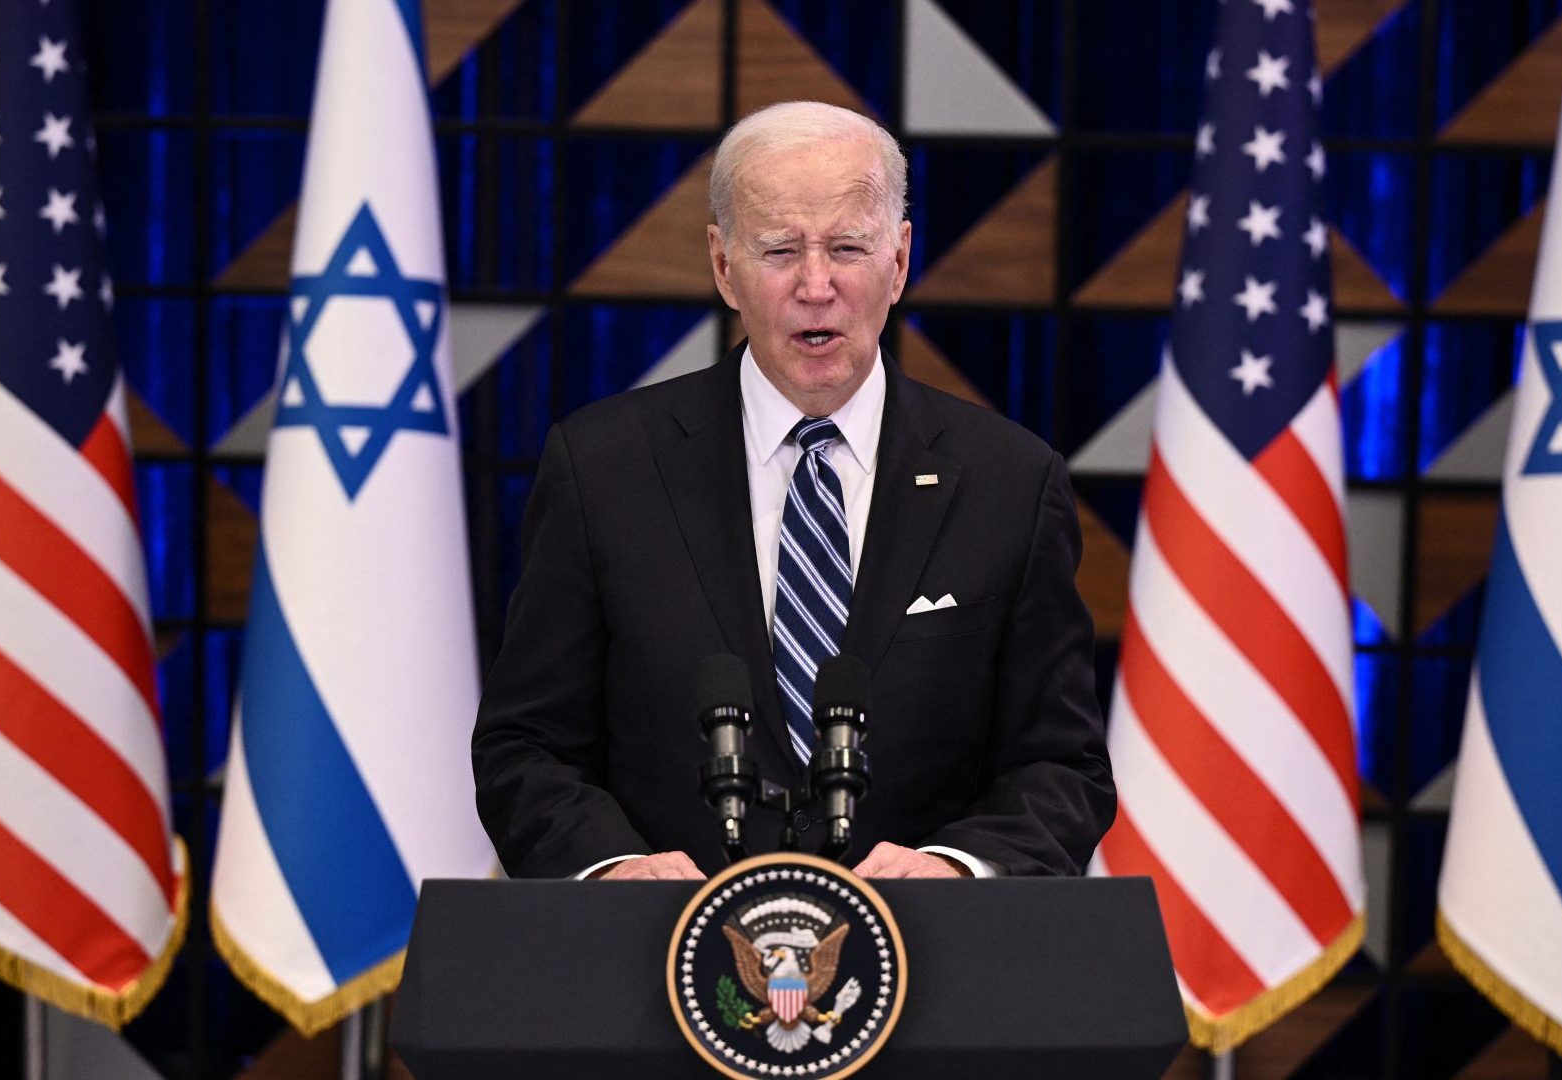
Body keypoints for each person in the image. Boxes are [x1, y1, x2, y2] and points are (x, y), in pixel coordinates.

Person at [472, 101, 1112, 881]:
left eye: (848, 246)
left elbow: (1061, 766)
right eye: (780, 250)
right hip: (661, 965)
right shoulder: (602, 467)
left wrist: (955, 870)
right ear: (722, 266)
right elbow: (526, 747)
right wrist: (613, 870)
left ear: (900, 260)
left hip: (924, 970)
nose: (818, 285)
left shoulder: (1010, 482)